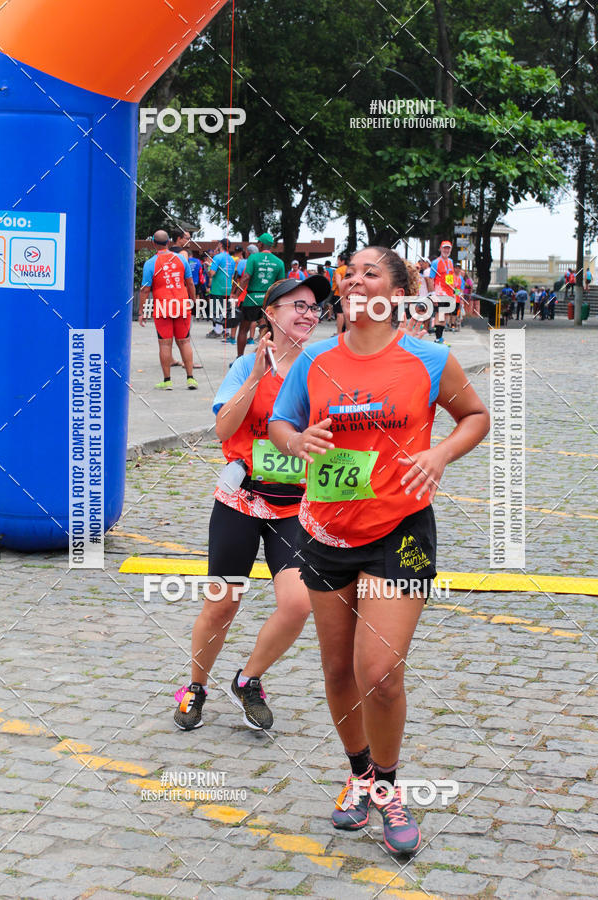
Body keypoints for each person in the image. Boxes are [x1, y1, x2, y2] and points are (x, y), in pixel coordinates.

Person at [269, 246, 490, 856]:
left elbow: (474, 416)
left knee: (381, 675)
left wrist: (439, 453)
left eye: (371, 272)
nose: (355, 279)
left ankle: (389, 788)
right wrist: (297, 441)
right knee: (339, 670)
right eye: (350, 273)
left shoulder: (429, 358)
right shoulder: (314, 359)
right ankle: (359, 775)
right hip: (325, 532)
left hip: (400, 529)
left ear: (396, 294)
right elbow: (281, 425)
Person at [173, 274, 331, 733]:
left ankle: (248, 680)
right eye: (297, 305)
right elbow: (223, 429)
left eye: (313, 307)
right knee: (222, 605)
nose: (307, 313)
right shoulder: (245, 365)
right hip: (240, 500)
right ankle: (196, 686)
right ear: (270, 314)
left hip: (295, 507)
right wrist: (259, 376)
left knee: (298, 604)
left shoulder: (322, 368)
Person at [138, 230, 198, 390]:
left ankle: (167, 381)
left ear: (153, 243)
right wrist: (193, 301)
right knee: (185, 341)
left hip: (162, 307)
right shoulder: (181, 259)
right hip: (182, 305)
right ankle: (190, 378)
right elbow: (190, 283)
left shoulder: (150, 263)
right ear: (169, 242)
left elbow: (145, 290)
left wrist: (142, 311)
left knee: (165, 344)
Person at [237, 232, 285, 357]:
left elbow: (246, 277)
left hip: (251, 298)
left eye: (258, 242)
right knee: (266, 330)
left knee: (243, 330)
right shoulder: (279, 262)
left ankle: (239, 359)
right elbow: (280, 284)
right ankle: (267, 358)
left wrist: (236, 294)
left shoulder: (253, 258)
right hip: (268, 301)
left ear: (261, 244)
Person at [207, 238, 236, 339]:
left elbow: (212, 273)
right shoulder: (231, 259)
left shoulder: (217, 257)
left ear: (220, 245)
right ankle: (226, 331)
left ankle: (217, 330)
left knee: (216, 310)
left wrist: (208, 267)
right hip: (227, 288)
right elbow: (232, 275)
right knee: (225, 310)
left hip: (217, 288)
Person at [426, 240, 455, 343]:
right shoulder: (436, 262)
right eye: (444, 248)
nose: (446, 250)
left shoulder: (450, 261)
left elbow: (450, 277)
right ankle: (438, 338)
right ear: (440, 249)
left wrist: (453, 291)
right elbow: (431, 279)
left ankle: (440, 337)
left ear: (450, 250)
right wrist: (432, 294)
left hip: (448, 293)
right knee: (440, 314)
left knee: (445, 315)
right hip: (439, 293)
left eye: (448, 248)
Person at [332, 253, 348, 334]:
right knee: (346, 314)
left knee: (339, 314)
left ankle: (339, 333)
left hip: (339, 294)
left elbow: (338, 283)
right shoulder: (349, 269)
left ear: (342, 261)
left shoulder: (339, 270)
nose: (337, 262)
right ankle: (345, 332)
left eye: (338, 260)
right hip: (348, 294)